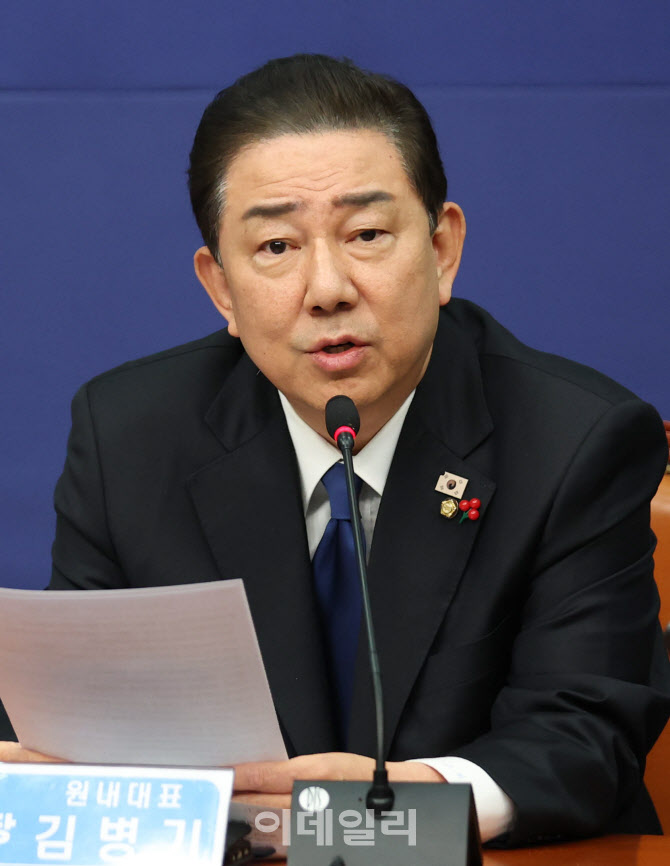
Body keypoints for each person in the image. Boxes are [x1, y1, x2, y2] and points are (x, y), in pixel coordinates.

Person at [1, 54, 668, 846]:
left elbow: (585, 738)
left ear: (442, 249)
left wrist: (386, 810)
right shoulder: (131, 435)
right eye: (276, 246)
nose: (327, 289)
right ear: (221, 288)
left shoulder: (575, 441)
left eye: (367, 234)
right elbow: (82, 717)